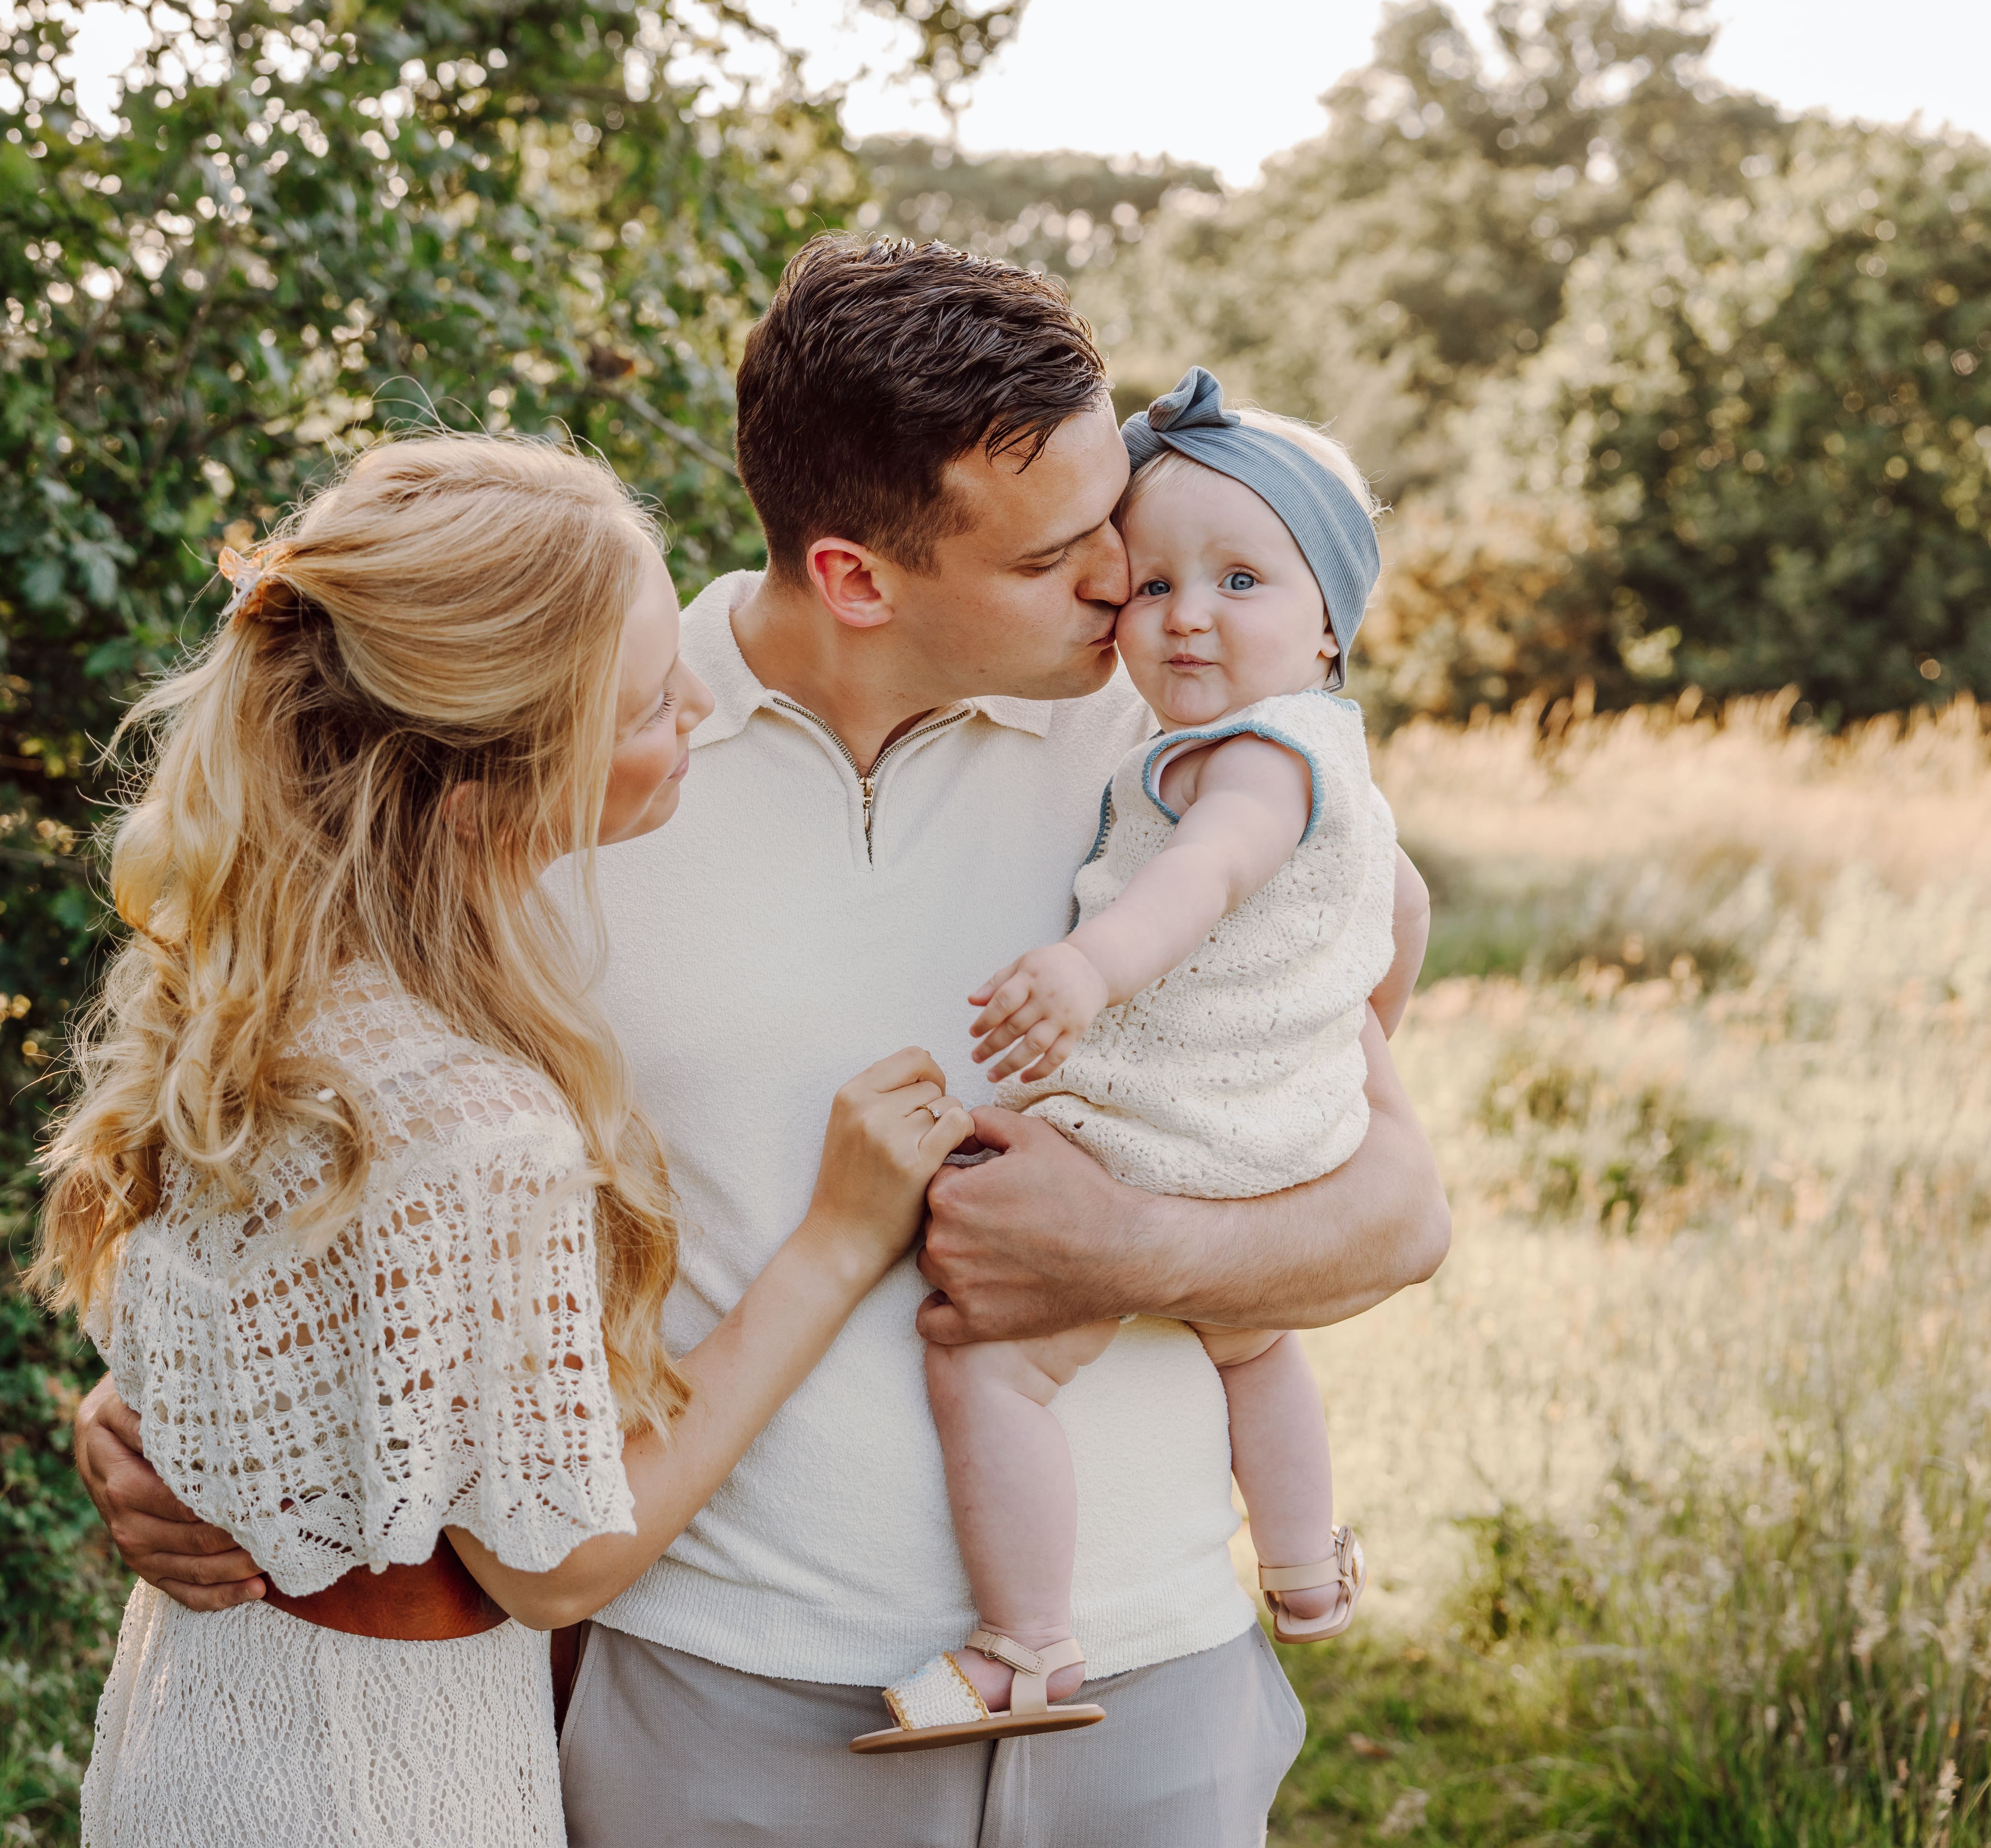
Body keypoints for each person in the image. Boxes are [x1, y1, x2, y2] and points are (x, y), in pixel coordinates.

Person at [76, 239, 1451, 1845]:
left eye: (1122, 528)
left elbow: (1395, 1212)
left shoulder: (1197, 758)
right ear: (860, 574)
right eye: (1058, 555)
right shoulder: (571, 761)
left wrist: (1125, 1245)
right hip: (713, 1704)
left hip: (1152, 1683)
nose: (1124, 586)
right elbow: (323, 1130)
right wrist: (154, 1411)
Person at [36, 433, 978, 1848]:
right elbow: (555, 1563)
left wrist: (126, 1417)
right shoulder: (480, 1123)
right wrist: (838, 1242)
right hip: (376, 1775)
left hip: (200, 1726)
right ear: (493, 791)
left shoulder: (255, 989)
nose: (706, 704)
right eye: (657, 700)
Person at [858, 366, 1413, 1754]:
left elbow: (1210, 875)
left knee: (985, 1358)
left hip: (1160, 1125)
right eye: (1154, 587)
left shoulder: (1250, 758)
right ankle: (1303, 1565)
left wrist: (1086, 968)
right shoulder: (1344, 758)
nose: (1185, 620)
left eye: (1240, 582)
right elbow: (1398, 919)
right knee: (1256, 1333)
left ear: (1333, 623)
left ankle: (1028, 1644)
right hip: (1283, 1129)